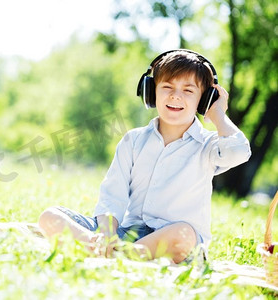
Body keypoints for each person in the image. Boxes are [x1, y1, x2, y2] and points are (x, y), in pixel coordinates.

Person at [37, 49, 252, 264]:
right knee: (50, 216)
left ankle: (112, 255)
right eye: (167, 87)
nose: (175, 95)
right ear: (151, 93)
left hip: (171, 238)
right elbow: (113, 195)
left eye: (188, 90)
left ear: (204, 100)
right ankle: (116, 251)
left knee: (184, 234)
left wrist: (218, 115)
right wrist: (108, 232)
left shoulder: (209, 145)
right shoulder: (133, 141)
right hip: (127, 234)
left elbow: (240, 151)